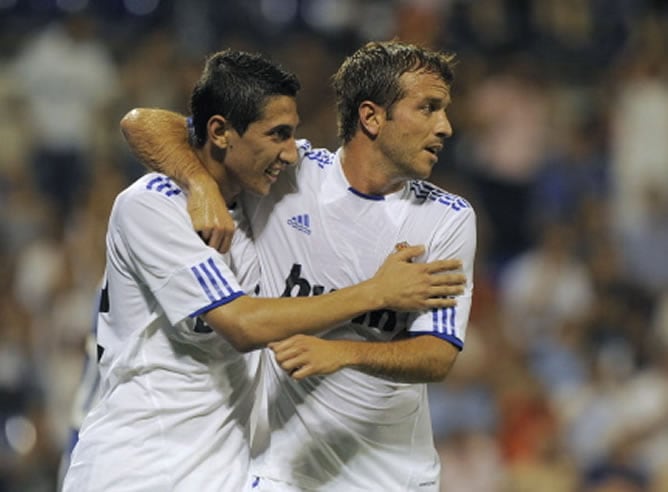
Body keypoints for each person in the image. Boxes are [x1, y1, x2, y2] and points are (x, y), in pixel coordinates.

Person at [62, 48, 465, 492]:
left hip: (226, 476)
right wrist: (376, 293)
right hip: (135, 470)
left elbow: (438, 355)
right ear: (221, 133)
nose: (292, 153)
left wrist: (207, 184)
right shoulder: (153, 205)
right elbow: (242, 323)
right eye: (278, 135)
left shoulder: (263, 199)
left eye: (292, 135)